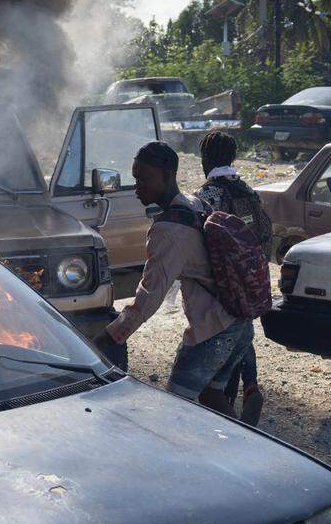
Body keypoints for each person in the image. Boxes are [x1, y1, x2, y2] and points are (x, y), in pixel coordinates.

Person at [92, 141, 252, 415]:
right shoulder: (195, 204)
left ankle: (240, 441)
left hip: (213, 329)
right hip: (239, 323)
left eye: (144, 179)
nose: (138, 187)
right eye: (135, 178)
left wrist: (109, 337)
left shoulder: (168, 229)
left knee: (174, 408)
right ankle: (244, 441)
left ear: (167, 176)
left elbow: (149, 297)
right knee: (211, 395)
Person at [194, 131, 272, 425]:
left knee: (227, 336)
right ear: (233, 157)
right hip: (252, 276)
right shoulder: (248, 191)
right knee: (244, 331)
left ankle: (225, 400)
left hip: (222, 281)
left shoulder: (207, 195)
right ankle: (250, 385)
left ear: (205, 159)